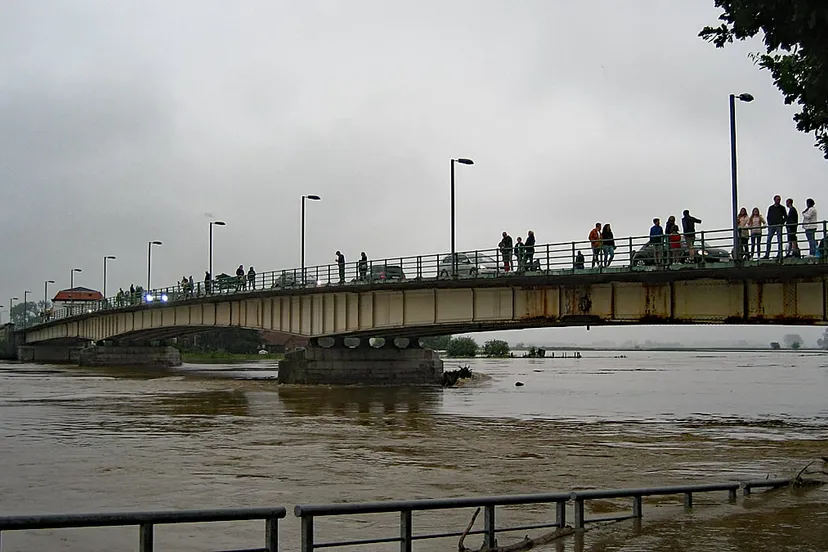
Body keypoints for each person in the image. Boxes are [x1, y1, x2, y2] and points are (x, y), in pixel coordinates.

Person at [764, 195, 786, 259]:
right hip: (772, 226)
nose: (778, 201)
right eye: (777, 199)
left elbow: (785, 217)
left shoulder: (782, 208)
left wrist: (782, 223)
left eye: (779, 199)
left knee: (779, 240)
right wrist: (770, 224)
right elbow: (768, 216)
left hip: (779, 226)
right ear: (774, 200)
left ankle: (780, 254)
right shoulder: (771, 208)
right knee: (768, 240)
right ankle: (767, 254)